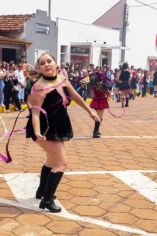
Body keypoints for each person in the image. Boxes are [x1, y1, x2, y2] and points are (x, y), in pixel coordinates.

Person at [26, 53, 100, 213]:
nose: (46, 64)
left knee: (52, 161)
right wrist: (38, 132)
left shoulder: (62, 77)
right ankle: (47, 199)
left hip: (58, 124)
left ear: (55, 62)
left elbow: (75, 96)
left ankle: (41, 192)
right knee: (61, 163)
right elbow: (35, 113)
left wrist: (90, 110)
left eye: (49, 61)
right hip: (45, 128)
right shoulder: (38, 87)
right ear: (39, 68)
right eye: (42, 63)